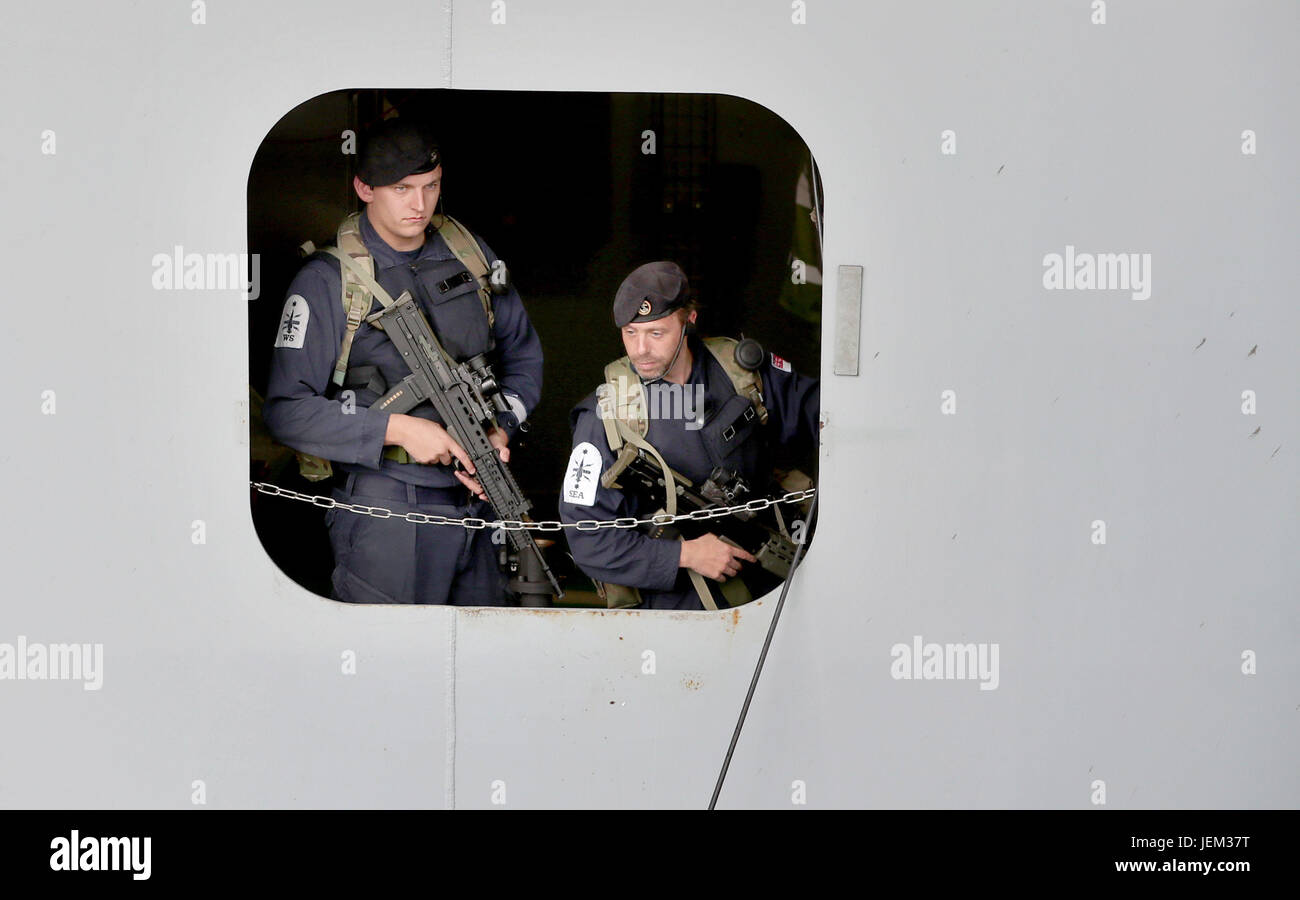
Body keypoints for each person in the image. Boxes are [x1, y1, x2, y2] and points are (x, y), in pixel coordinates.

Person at [264, 120, 544, 606]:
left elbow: (522, 355)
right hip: (387, 504)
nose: (420, 205)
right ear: (364, 188)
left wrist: (499, 429)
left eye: (431, 186)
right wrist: (398, 430)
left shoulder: (469, 254)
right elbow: (287, 410)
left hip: (478, 500)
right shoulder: (328, 282)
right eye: (402, 189)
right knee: (389, 664)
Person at [560, 261, 819, 611]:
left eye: (656, 333)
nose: (641, 350)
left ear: (688, 322)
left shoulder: (739, 373)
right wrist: (685, 554)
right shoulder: (608, 414)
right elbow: (587, 539)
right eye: (630, 333)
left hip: (773, 575)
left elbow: (824, 415)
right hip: (675, 609)